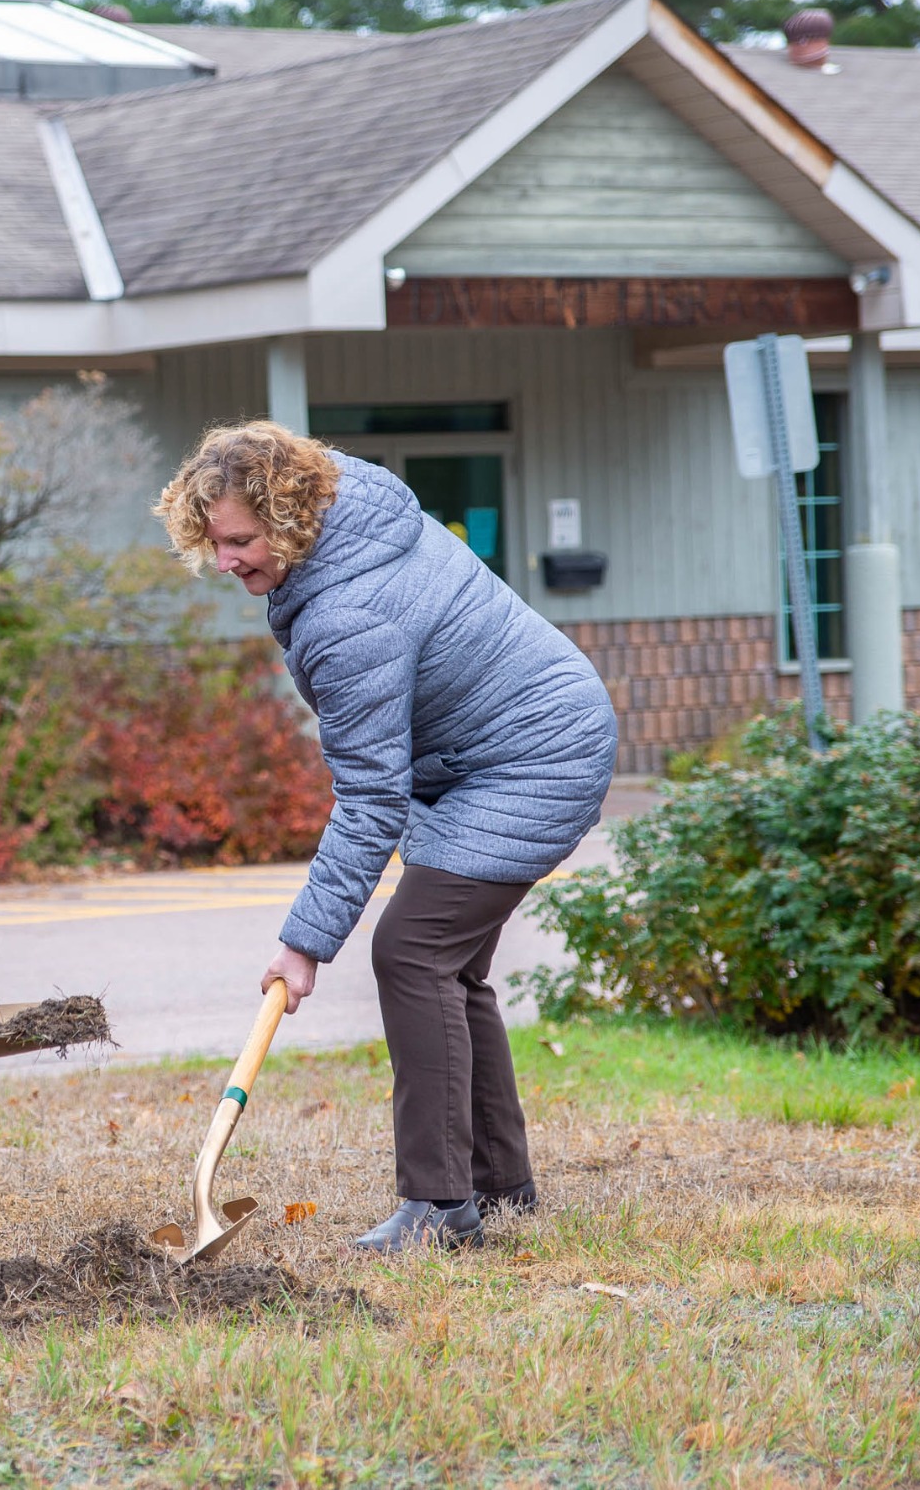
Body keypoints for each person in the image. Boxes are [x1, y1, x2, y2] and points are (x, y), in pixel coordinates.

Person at [155, 422, 617, 1253]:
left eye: (240, 539)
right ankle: (499, 1186)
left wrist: (304, 944)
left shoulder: (349, 616)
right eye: (213, 541)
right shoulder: (352, 506)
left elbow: (371, 798)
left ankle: (441, 1206)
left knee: (414, 950)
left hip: (535, 757)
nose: (224, 560)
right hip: (510, 742)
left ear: (291, 517)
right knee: (447, 960)